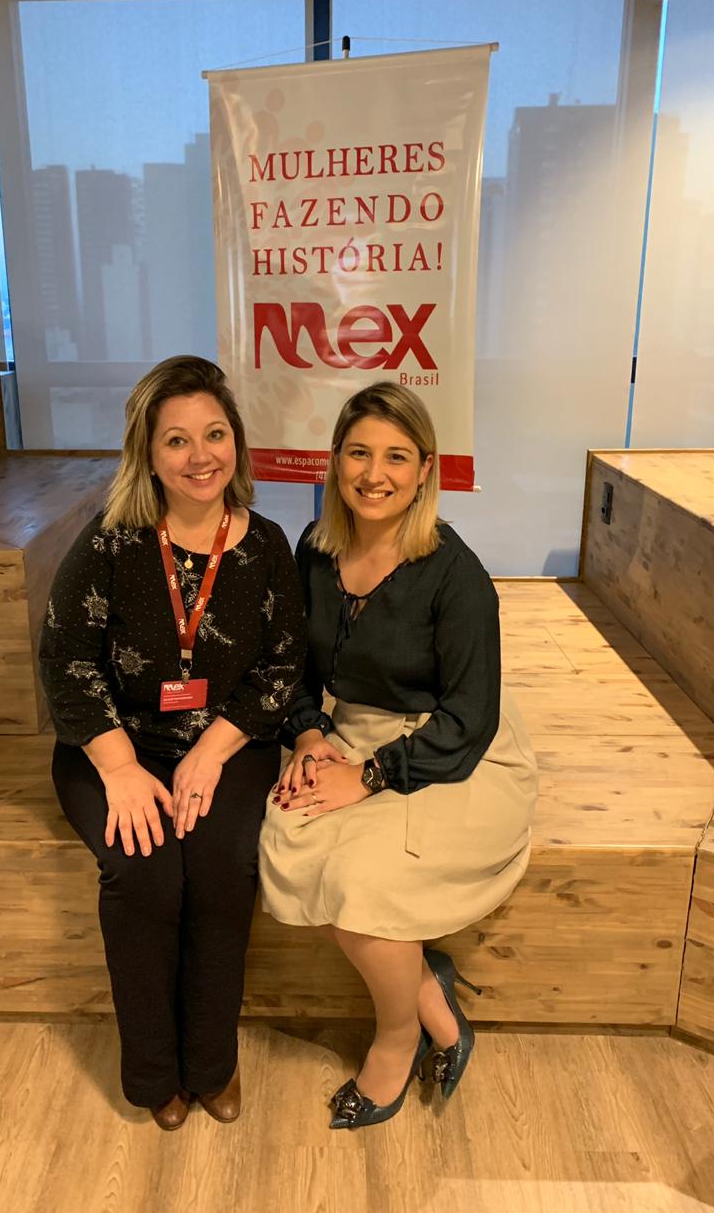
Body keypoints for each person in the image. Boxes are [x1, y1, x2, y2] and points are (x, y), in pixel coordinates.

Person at [259, 381, 538, 1131]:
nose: (374, 474)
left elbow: (470, 718)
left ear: (424, 470)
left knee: (360, 882)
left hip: (451, 749)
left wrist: (370, 777)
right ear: (335, 461)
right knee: (288, 835)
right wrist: (308, 735)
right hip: (350, 732)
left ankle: (398, 1034)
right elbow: (292, 666)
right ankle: (426, 984)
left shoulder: (457, 574)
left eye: (396, 457)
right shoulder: (314, 549)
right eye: (358, 453)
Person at [40, 356, 305, 1131]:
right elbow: (65, 661)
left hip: (229, 741)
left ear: (237, 442)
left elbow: (282, 668)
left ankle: (211, 1065)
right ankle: (155, 1075)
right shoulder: (111, 541)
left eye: (214, 435)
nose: (200, 457)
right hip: (112, 745)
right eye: (177, 440)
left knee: (222, 871)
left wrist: (211, 752)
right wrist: (120, 767)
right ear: (148, 454)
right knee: (144, 873)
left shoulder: (267, 547)